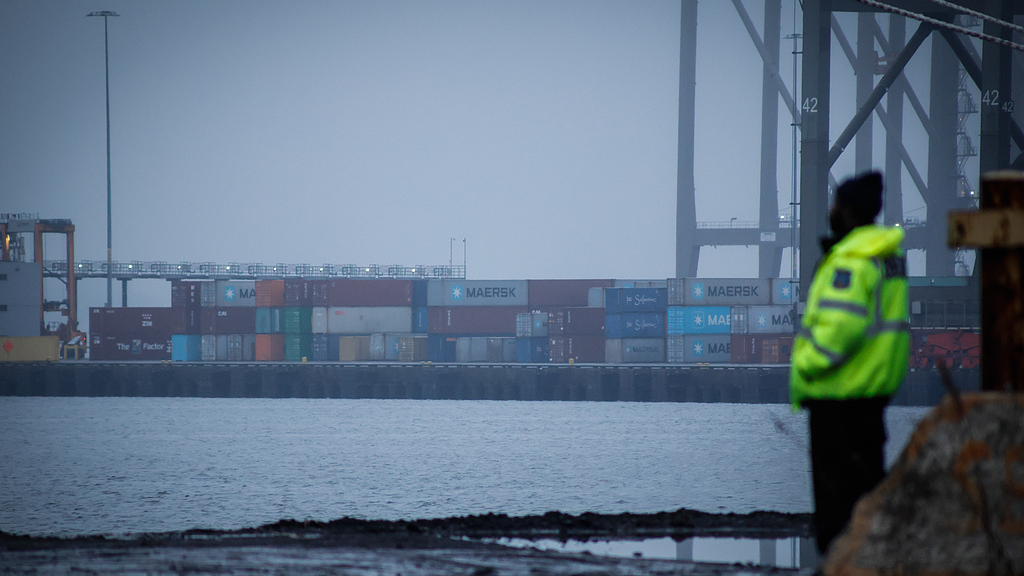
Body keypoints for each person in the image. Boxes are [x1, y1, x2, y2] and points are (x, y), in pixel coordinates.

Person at [789, 171, 910, 555]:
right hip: (871, 395)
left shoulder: (852, 260)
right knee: (868, 501)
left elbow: (841, 328)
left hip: (838, 396)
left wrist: (806, 364)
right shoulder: (887, 258)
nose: (829, 211)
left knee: (836, 513)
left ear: (845, 211)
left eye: (834, 204)